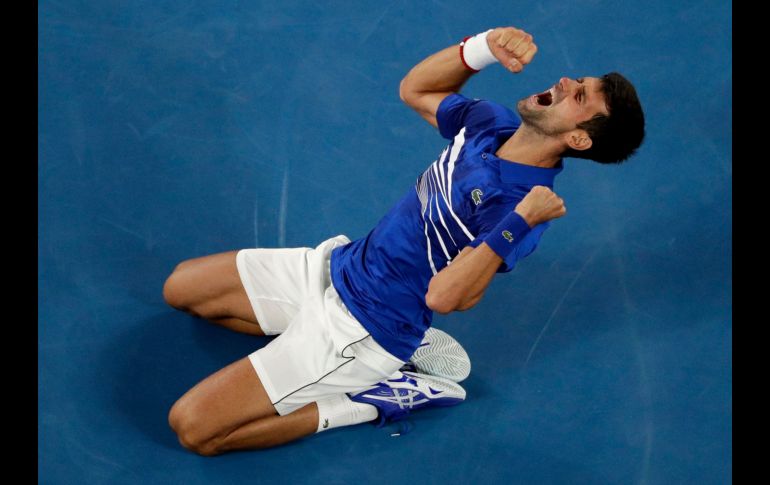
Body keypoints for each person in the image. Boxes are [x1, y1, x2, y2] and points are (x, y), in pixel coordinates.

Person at [162, 25, 645, 456]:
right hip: (340, 267)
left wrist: (518, 220)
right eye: (577, 80)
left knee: (195, 427)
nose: (565, 82)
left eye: (579, 97)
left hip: (364, 330)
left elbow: (446, 296)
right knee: (182, 289)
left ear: (579, 139)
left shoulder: (520, 207)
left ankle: (364, 398)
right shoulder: (489, 125)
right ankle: (309, 359)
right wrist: (481, 48)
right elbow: (417, 89)